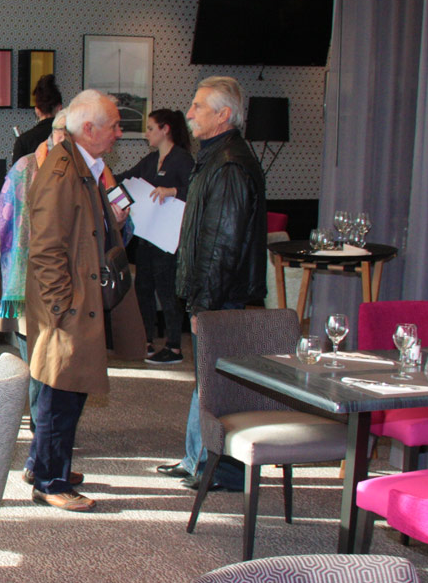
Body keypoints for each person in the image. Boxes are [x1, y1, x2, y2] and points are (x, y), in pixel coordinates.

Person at [157, 77, 267, 491]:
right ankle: (196, 460)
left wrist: (204, 305)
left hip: (222, 298)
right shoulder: (216, 157)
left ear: (223, 115)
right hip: (216, 294)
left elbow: (222, 244)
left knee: (218, 385)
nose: (189, 114)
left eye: (198, 106)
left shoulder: (230, 164)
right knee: (207, 379)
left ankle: (216, 468)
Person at [24, 90, 127, 512]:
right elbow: (45, 249)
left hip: (77, 299)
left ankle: (43, 465)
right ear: (88, 129)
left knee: (70, 388)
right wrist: (62, 307)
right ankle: (50, 480)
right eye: (114, 126)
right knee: (59, 392)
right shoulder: (63, 170)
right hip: (66, 305)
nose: (119, 133)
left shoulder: (80, 165)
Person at [0, 110, 69, 439]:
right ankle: (42, 429)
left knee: (61, 362)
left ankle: (49, 427)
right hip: (26, 282)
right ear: (56, 135)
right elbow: (0, 223)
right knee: (36, 361)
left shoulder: (89, 171)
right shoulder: (25, 168)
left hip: (70, 283)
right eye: (65, 135)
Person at [119, 108, 194, 365]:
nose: (147, 134)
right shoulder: (151, 160)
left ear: (165, 129)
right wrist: (99, 172)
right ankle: (147, 339)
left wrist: (172, 190)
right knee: (143, 288)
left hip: (168, 239)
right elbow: (127, 178)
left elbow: (196, 189)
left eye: (151, 128)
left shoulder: (182, 159)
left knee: (167, 290)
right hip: (147, 236)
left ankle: (174, 346)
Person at [10, 73, 64, 163]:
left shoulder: (24, 140)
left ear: (37, 110)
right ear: (59, 108)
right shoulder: (67, 137)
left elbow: (17, 171)